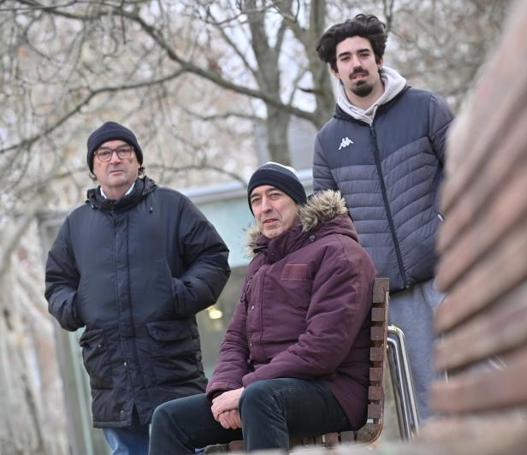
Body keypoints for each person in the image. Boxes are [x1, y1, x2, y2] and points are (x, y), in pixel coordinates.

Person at [148, 162, 376, 453]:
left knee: (259, 399)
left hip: (333, 391)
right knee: (168, 418)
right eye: (256, 200)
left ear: (298, 201)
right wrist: (225, 390)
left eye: (275, 195)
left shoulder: (339, 253)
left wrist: (246, 390)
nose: (265, 207)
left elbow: (323, 348)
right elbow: (235, 340)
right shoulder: (261, 263)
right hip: (263, 392)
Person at [44, 121, 231, 455]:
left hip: (171, 373)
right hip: (111, 382)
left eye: (123, 151)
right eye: (104, 153)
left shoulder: (173, 207)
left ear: (137, 161)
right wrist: (78, 307)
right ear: (93, 167)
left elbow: (213, 258)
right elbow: (57, 283)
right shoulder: (76, 225)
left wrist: (180, 294)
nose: (114, 159)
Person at [313, 13, 455, 421]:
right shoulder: (327, 142)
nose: (356, 63)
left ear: (377, 58)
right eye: (346, 58)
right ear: (335, 69)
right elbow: (331, 227)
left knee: (483, 371)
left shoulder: (425, 107)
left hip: (449, 269)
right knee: (427, 399)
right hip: (393, 291)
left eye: (363, 54)